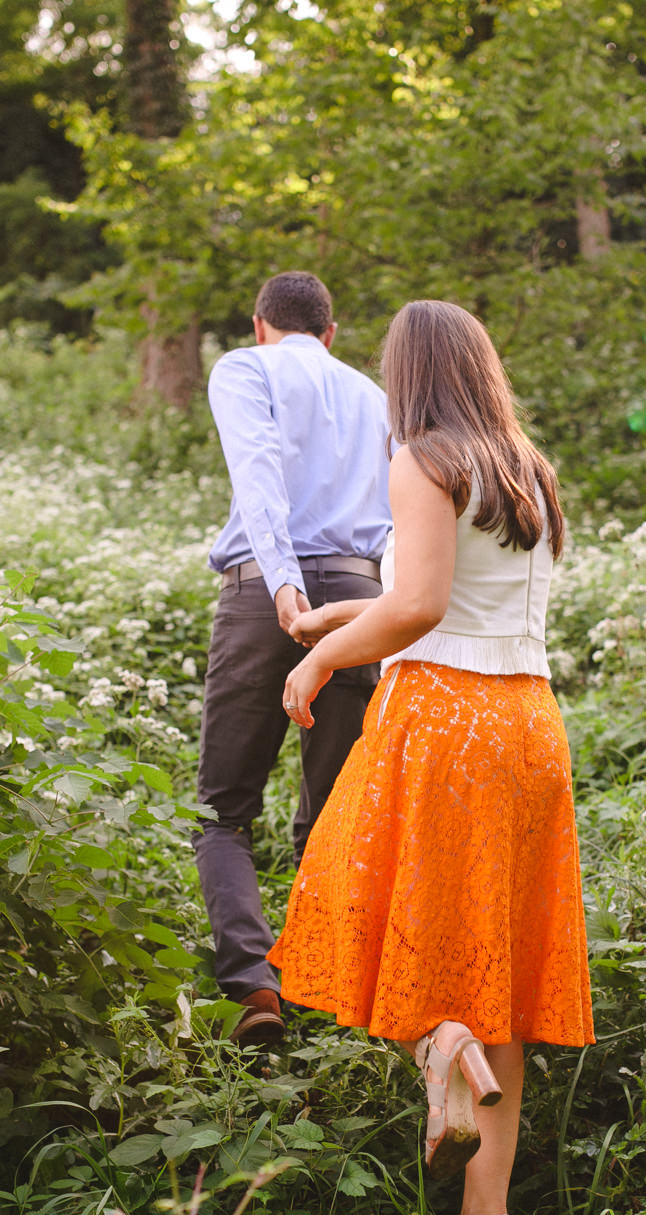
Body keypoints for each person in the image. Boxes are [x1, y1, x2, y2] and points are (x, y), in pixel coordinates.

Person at [268, 299, 594, 1215]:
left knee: (352, 898)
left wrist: (323, 659)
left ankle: (435, 1048)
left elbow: (418, 608)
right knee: (500, 971)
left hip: (444, 720)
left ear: (408, 375)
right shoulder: (523, 468)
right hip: (529, 726)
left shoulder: (421, 458)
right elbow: (455, 596)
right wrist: (345, 612)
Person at [196, 271, 392, 1048]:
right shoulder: (373, 396)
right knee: (335, 808)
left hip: (258, 594)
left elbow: (259, 479)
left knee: (223, 810)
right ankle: (329, 989)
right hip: (358, 592)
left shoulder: (244, 369)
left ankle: (255, 984)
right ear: (331, 332)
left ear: (259, 326)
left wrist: (281, 585)